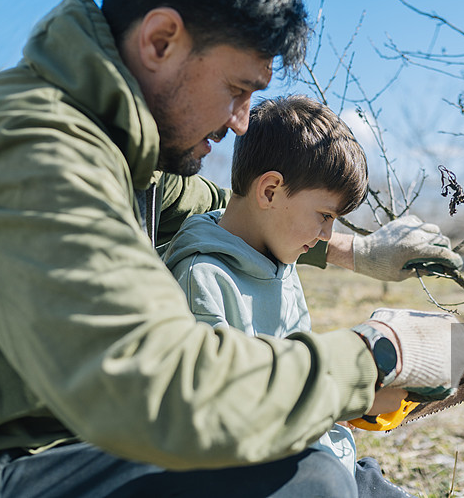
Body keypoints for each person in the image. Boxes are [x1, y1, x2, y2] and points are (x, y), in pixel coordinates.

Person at [0, 0, 464, 497]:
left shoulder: (127, 158)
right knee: (305, 483)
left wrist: (357, 251)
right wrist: (377, 354)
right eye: (237, 91)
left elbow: (230, 210)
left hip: (46, 445)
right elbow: (165, 393)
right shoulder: (34, 154)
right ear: (161, 42)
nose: (239, 124)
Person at [164, 94, 436, 497]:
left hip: (327, 455)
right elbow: (220, 421)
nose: (327, 235)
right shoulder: (203, 279)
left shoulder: (278, 255)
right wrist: (351, 397)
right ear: (270, 191)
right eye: (324, 216)